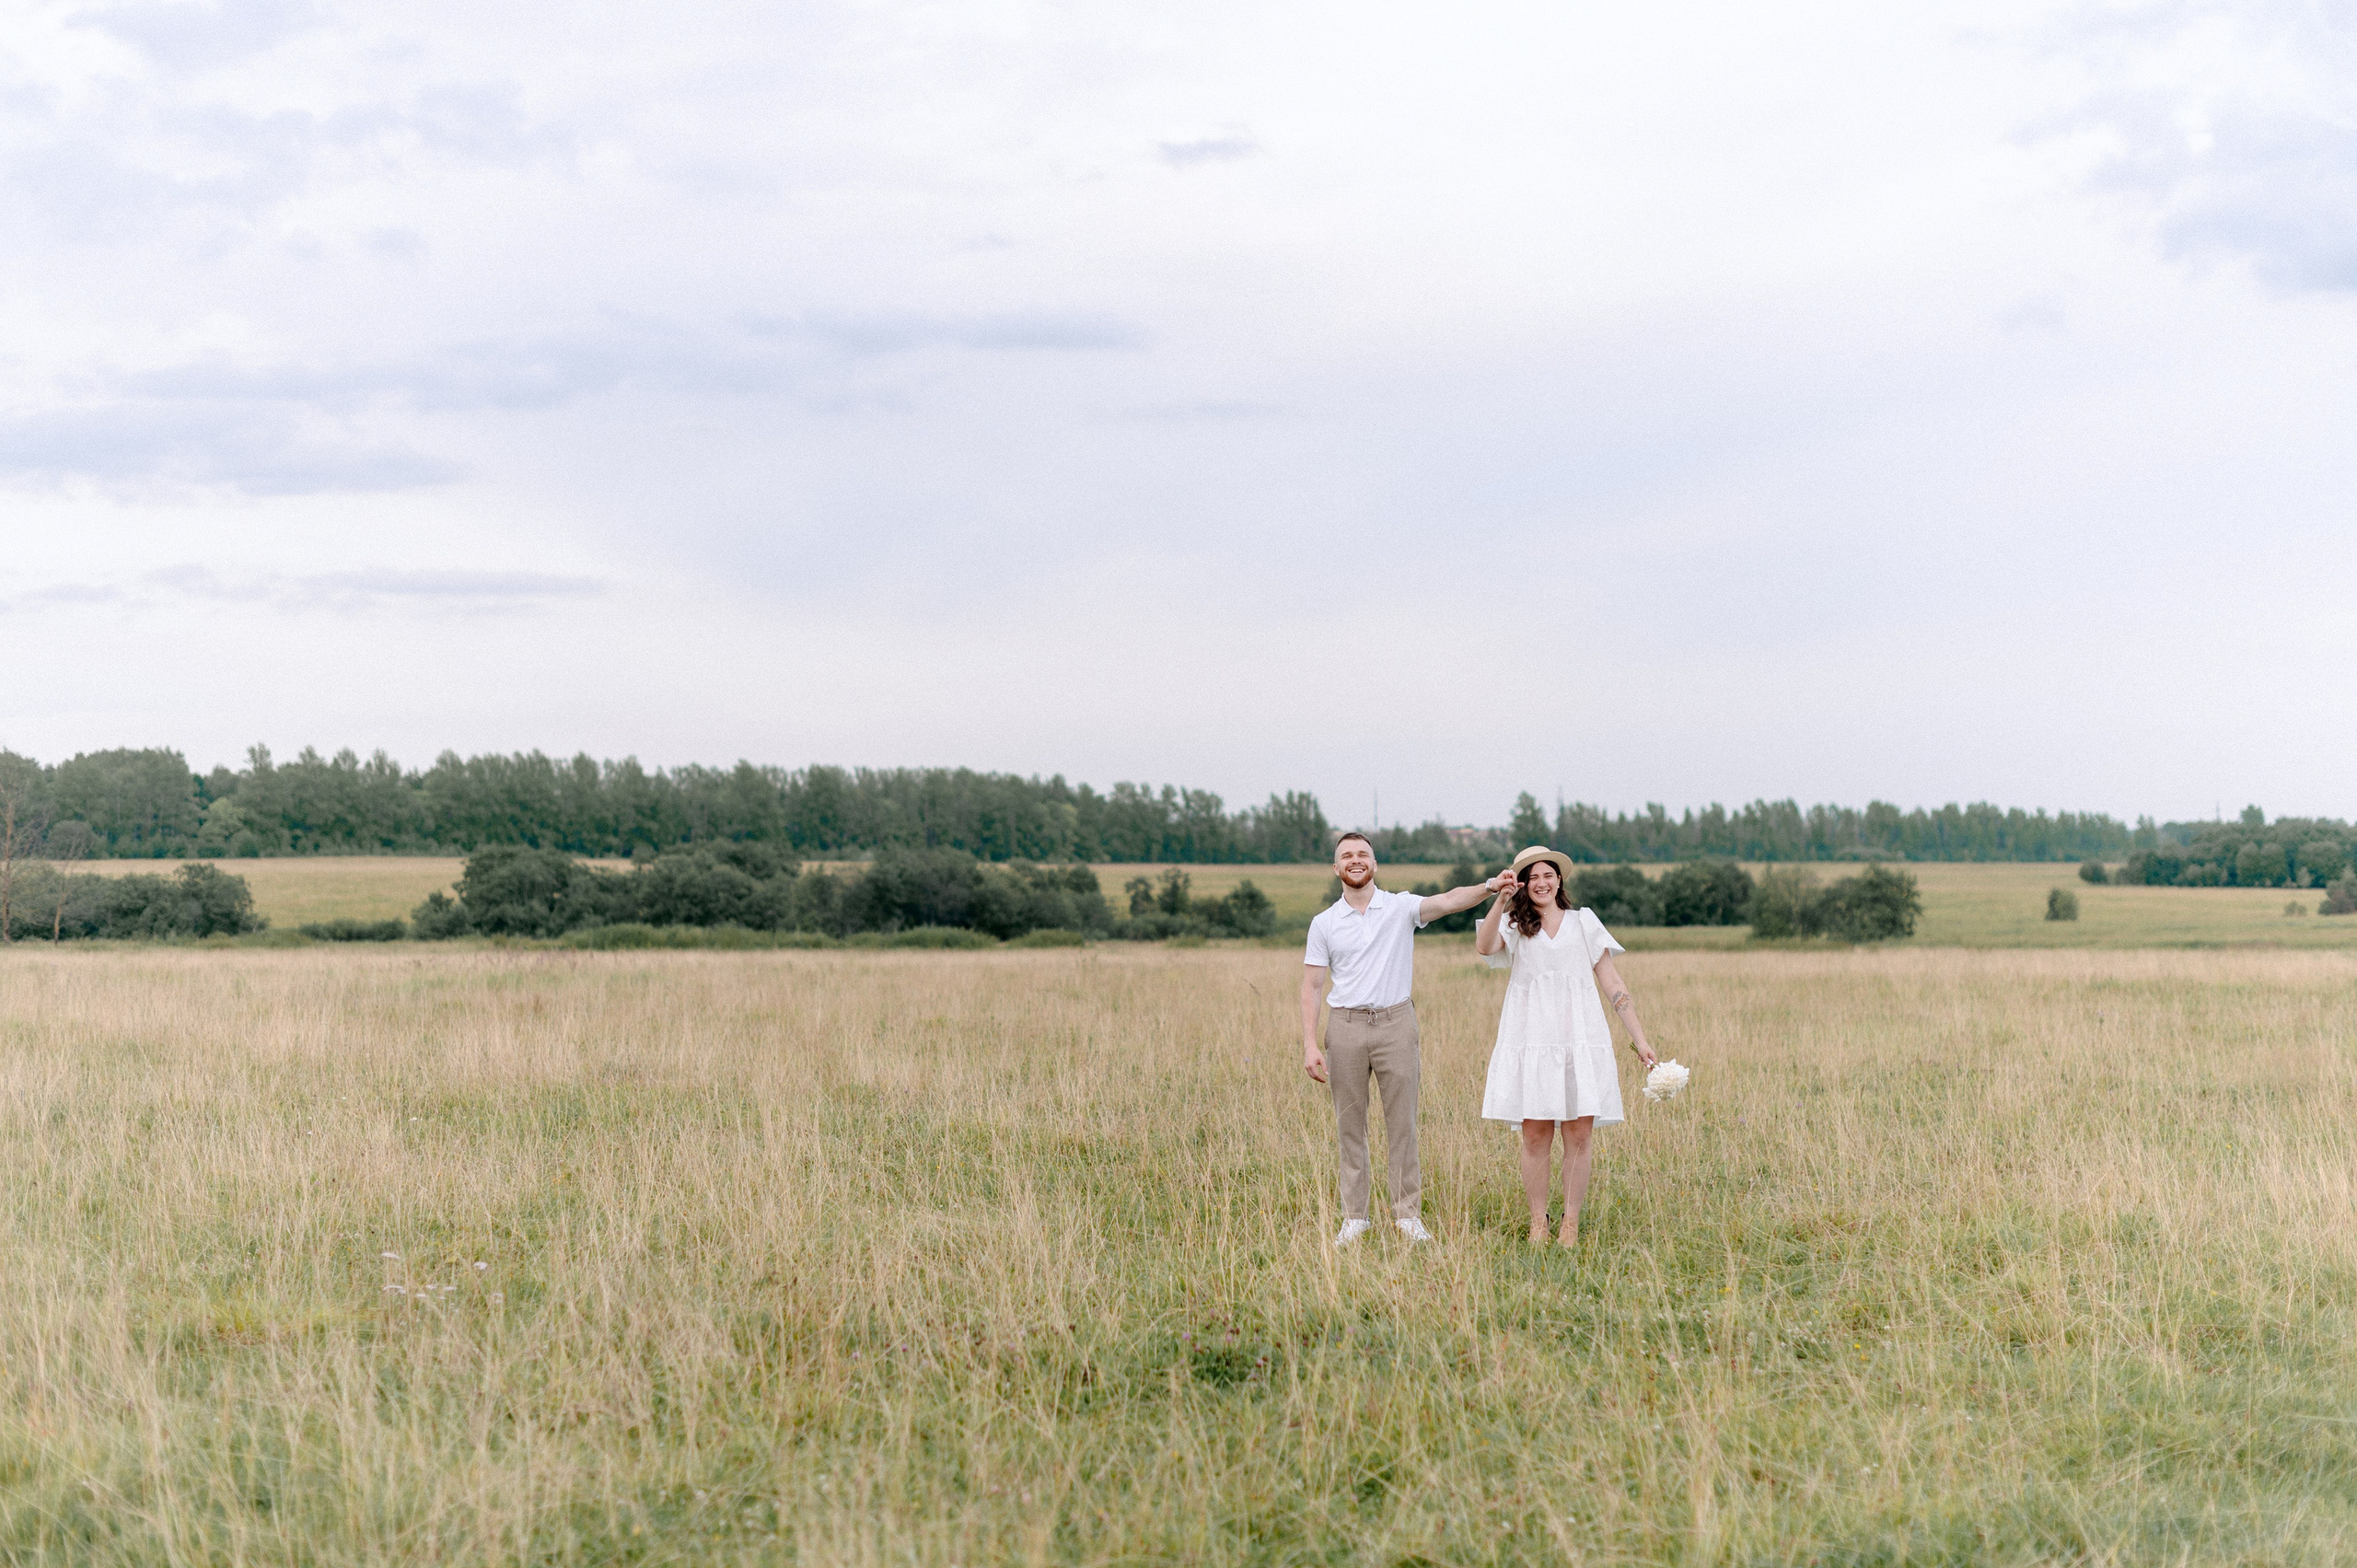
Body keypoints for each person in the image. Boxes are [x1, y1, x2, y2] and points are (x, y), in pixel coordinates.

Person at [1302, 831, 1516, 1245]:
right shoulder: (1323, 923)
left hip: (1396, 1024)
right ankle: (1355, 1218)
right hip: (1344, 1027)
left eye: (1363, 854)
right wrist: (1311, 1044)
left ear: (1375, 864)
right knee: (1350, 1124)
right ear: (1336, 868)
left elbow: (1449, 900)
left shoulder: (1399, 907)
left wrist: (1491, 887)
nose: (1356, 860)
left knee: (1402, 1123)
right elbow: (1312, 986)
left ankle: (1406, 1216)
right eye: (1347, 856)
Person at [1473, 844, 1660, 1248]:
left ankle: (1570, 1224)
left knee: (1579, 1136)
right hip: (1532, 1039)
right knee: (1535, 1135)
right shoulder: (1514, 923)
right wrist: (1501, 899)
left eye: (1548, 875)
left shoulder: (1584, 923)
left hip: (1580, 1039)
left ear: (1559, 880)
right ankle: (1538, 1222)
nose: (1541, 883)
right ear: (1523, 883)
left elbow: (1614, 986)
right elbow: (1484, 948)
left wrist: (1640, 1040)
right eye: (1532, 876)